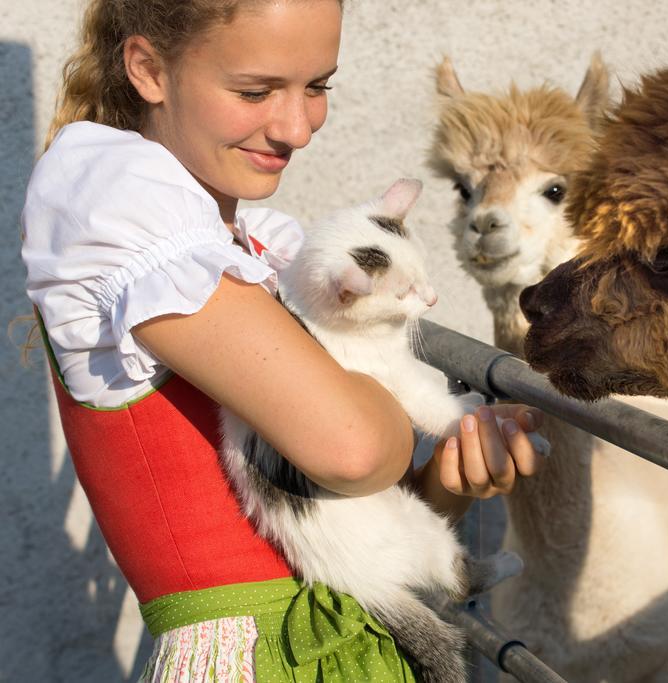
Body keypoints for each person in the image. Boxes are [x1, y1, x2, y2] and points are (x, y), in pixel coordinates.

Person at [20, 1, 545, 680]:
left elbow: (354, 500)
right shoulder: (123, 209)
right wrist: (389, 399)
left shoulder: (248, 248)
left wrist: (445, 476)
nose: (297, 127)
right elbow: (353, 448)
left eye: (318, 86)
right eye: (256, 90)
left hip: (355, 648)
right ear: (149, 69)